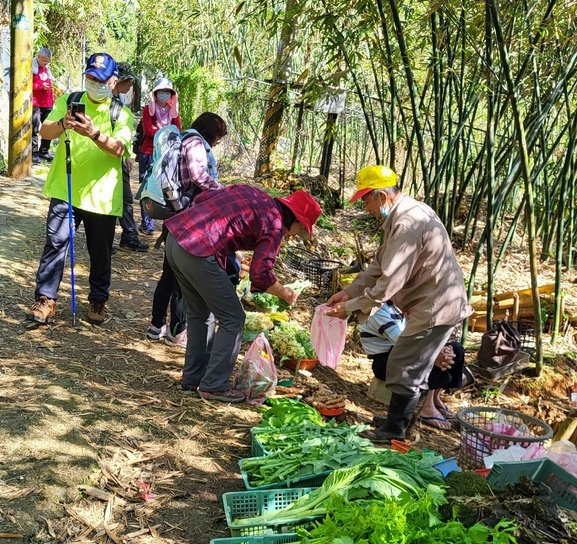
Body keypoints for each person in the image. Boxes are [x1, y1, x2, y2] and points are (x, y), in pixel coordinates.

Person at [327, 165, 471, 442]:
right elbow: (379, 266)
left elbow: (389, 282)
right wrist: (349, 292)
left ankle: (396, 429)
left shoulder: (407, 223)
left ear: (381, 196)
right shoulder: (405, 215)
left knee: (405, 366)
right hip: (430, 302)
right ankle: (399, 421)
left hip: (435, 305)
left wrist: (351, 307)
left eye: (366, 200)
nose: (366, 207)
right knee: (406, 365)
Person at [165, 186, 321, 402]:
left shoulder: (256, 195)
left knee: (200, 314)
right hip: (198, 250)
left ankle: (193, 378)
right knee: (234, 318)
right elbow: (260, 274)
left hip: (177, 238)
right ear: (295, 220)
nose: (293, 235)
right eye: (299, 229)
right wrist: (284, 293)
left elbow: (204, 197)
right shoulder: (275, 225)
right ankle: (215, 385)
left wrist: (228, 240)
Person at [25, 53, 133, 326]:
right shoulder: (70, 100)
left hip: (102, 196)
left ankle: (98, 298)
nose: (93, 82)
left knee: (101, 251)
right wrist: (64, 124)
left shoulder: (121, 113)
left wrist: (94, 134)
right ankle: (46, 299)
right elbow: (45, 132)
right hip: (66, 188)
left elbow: (120, 149)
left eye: (99, 79)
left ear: (112, 82)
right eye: (89, 77)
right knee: (56, 244)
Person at [147, 111, 228, 348]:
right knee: (182, 277)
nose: (217, 142)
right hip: (187, 217)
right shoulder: (195, 142)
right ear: (212, 133)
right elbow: (198, 176)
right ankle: (177, 330)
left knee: (169, 273)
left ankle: (156, 325)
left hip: (178, 213)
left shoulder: (185, 138)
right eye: (218, 138)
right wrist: (223, 192)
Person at [360, 301, 466, 431]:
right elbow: (401, 341)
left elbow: (417, 336)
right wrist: (433, 355)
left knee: (456, 349)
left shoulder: (399, 307)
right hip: (386, 361)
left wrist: (441, 351)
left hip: (402, 352)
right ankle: (426, 407)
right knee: (428, 357)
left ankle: (434, 398)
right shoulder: (377, 310)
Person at [112, 62, 148, 253]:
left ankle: (129, 236)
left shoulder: (119, 103)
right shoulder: (108, 102)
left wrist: (126, 155)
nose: (130, 86)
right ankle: (118, 238)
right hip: (108, 161)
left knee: (125, 198)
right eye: (129, 81)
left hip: (119, 159)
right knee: (117, 199)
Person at [138, 77, 181, 235]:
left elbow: (177, 132)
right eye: (161, 91)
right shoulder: (149, 109)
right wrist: (165, 130)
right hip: (149, 153)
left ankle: (167, 225)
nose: (164, 94)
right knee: (147, 187)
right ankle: (146, 222)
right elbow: (148, 131)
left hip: (168, 155)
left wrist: (160, 129)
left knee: (168, 187)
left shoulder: (173, 111)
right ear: (155, 93)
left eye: (167, 92)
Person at [32, 47, 55, 164]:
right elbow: (26, 84)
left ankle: (44, 151)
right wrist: (41, 87)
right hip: (35, 102)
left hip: (47, 102)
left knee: (49, 127)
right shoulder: (31, 67)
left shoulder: (46, 68)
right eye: (45, 61)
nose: (46, 63)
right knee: (35, 127)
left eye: (48, 61)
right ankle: (34, 153)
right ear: (39, 57)